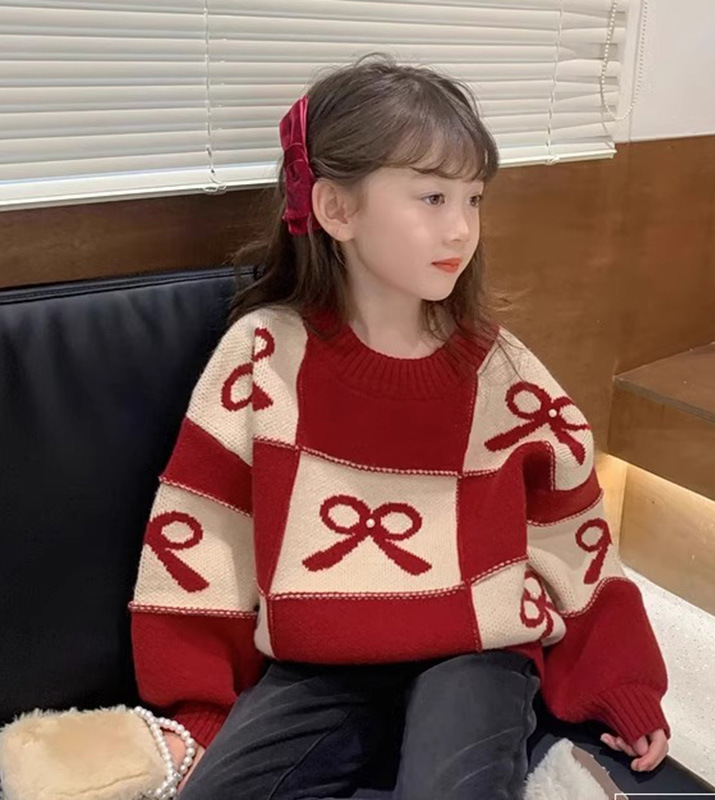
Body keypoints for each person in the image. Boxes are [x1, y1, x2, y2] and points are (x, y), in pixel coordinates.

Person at [129, 52, 671, 799]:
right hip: (319, 664)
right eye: (432, 197)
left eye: (474, 199)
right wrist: (200, 706)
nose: (462, 229)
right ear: (336, 210)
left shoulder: (501, 373)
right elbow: (203, 531)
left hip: (476, 650)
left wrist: (622, 683)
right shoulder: (263, 356)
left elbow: (573, 533)